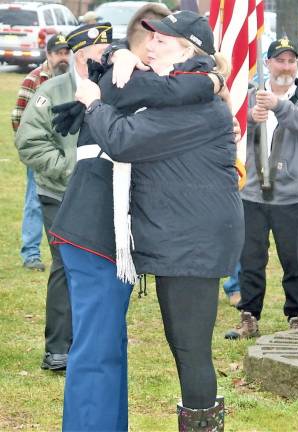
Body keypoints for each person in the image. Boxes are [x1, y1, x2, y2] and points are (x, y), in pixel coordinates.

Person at [49, 5, 233, 431]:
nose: (150, 45)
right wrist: (118, 54)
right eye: (148, 39)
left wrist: (95, 102)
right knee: (101, 349)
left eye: (161, 40)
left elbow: (123, 140)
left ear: (188, 52)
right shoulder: (163, 88)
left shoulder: (195, 103)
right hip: (99, 233)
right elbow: (118, 76)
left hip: (189, 243)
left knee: (185, 351)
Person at [15, 23, 112, 371]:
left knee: (102, 267)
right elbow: (29, 141)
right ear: (81, 54)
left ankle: (93, 340)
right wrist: (68, 168)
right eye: (102, 51)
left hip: (105, 192)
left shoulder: (115, 88)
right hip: (61, 192)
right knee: (66, 264)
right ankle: (58, 346)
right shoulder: (53, 91)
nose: (109, 55)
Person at [225, 38, 298, 340]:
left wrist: (278, 106)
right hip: (253, 194)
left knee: (293, 260)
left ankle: (297, 316)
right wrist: (248, 120)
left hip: (291, 197)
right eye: (279, 60)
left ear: (297, 65)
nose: (285, 66)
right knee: (251, 260)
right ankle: (249, 317)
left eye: (290, 61)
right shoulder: (249, 98)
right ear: (267, 63)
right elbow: (229, 131)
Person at [11, 34, 70, 272]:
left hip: (67, 154)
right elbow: (18, 117)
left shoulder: (74, 79)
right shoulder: (34, 80)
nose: (63, 58)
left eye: (67, 52)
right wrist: (36, 149)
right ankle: (31, 253)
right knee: (34, 202)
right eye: (58, 53)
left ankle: (67, 250)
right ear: (48, 54)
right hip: (42, 154)